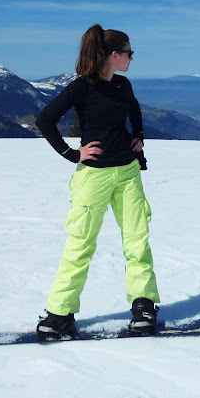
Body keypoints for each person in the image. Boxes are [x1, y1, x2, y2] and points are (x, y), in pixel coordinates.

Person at [34, 24, 160, 340]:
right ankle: (60, 314)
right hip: (93, 176)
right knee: (80, 244)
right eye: (129, 53)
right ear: (114, 55)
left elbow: (134, 109)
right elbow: (45, 120)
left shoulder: (123, 85)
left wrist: (138, 135)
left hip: (128, 173)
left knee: (137, 241)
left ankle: (143, 307)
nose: (132, 58)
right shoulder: (83, 87)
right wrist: (71, 154)